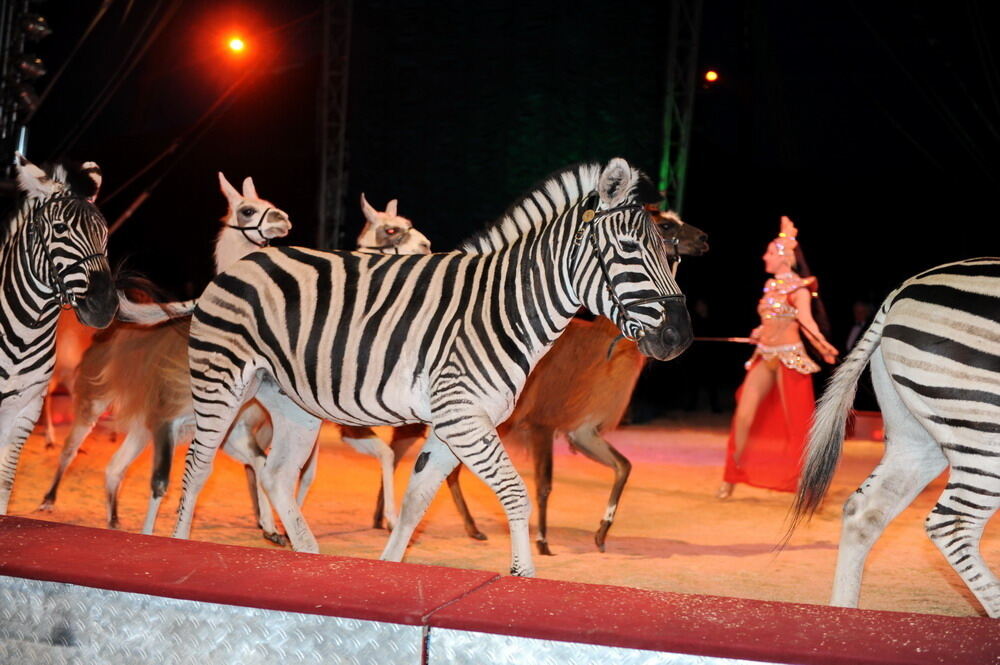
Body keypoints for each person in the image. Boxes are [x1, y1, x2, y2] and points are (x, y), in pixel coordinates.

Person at [717, 216, 838, 499]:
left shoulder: (799, 289)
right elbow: (771, 319)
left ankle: (805, 482)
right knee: (744, 417)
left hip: (790, 357)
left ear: (784, 257)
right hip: (765, 355)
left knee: (796, 422)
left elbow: (807, 323)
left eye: (770, 252)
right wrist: (759, 331)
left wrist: (823, 347)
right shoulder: (770, 287)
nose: (764, 257)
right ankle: (731, 475)